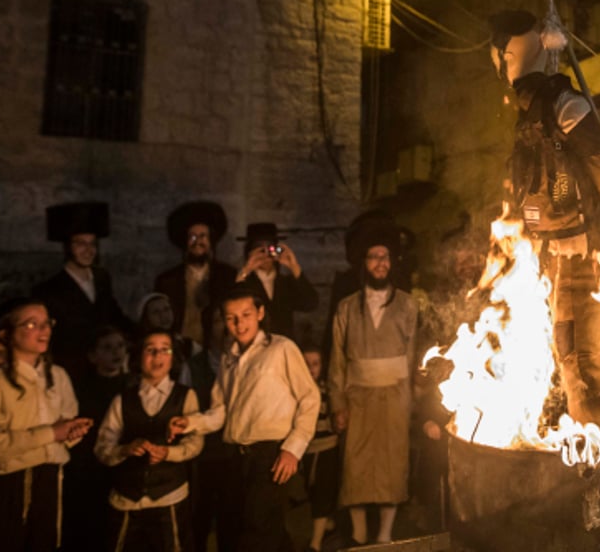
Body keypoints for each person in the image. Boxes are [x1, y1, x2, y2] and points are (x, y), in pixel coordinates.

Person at [487, 9, 600, 448]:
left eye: (502, 54)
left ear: (511, 54)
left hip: (585, 252)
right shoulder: (531, 113)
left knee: (591, 351)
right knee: (568, 354)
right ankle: (590, 431)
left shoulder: (563, 103)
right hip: (550, 257)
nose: (499, 65)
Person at [170, 285, 319, 552]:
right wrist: (190, 423)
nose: (239, 324)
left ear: (260, 313)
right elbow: (222, 411)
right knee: (243, 526)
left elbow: (310, 398)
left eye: (246, 314)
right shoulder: (230, 357)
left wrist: (292, 450)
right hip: (236, 456)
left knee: (258, 530)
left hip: (270, 454)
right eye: (231, 318)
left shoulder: (281, 349)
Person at [0, 297, 93, 552]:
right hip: (9, 483)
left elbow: (66, 427)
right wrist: (52, 432)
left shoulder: (58, 376)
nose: (43, 331)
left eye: (46, 323)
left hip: (50, 479)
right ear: (6, 334)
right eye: (31, 324)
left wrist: (73, 432)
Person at [329, 218, 418, 546]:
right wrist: (338, 403)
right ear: (363, 264)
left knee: (392, 465)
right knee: (356, 465)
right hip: (358, 397)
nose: (380, 263)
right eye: (373, 257)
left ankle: (384, 534)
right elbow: (336, 362)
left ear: (392, 262)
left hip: (395, 397)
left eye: (385, 257)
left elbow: (411, 358)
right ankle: (359, 533)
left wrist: (408, 401)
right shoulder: (347, 307)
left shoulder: (408, 305)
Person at [95, 328, 203, 551]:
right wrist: (125, 450)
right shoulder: (123, 400)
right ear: (138, 356)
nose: (158, 356)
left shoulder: (185, 396)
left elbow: (195, 442)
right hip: (127, 498)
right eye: (150, 350)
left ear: (173, 357)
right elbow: (103, 446)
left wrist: (168, 453)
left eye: (165, 350)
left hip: (168, 497)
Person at [33, 202, 132, 382]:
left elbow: (114, 315)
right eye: (81, 244)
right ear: (68, 247)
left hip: (105, 372)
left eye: (92, 244)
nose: (89, 250)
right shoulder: (49, 290)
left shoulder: (102, 279)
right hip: (73, 372)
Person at [61, 325, 129, 552]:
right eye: (107, 348)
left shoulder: (133, 387)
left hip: (122, 468)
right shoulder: (80, 389)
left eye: (120, 346)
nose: (116, 352)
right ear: (93, 355)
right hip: (87, 472)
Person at [185, 305, 237, 552]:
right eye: (219, 320)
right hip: (204, 452)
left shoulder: (245, 361)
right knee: (201, 515)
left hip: (235, 451)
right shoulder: (194, 366)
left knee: (232, 516)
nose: (226, 326)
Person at [154, 201, 238, 345]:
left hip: (216, 349)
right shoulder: (167, 280)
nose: (198, 242)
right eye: (192, 237)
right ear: (185, 242)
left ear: (210, 241)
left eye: (203, 236)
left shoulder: (228, 276)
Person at [235, 223, 319, 342]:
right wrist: (246, 269)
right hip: (254, 346)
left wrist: (294, 267)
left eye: (270, 248)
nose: (265, 254)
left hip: (283, 346)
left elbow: (311, 303)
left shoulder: (286, 283)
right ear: (249, 251)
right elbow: (232, 303)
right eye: (259, 249)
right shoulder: (245, 283)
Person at [299, 342, 340, 552]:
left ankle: (315, 544)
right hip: (306, 449)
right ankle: (328, 525)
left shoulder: (326, 389)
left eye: (315, 363)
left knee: (323, 490)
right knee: (312, 490)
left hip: (327, 448)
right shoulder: (297, 391)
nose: (311, 368)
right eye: (306, 363)